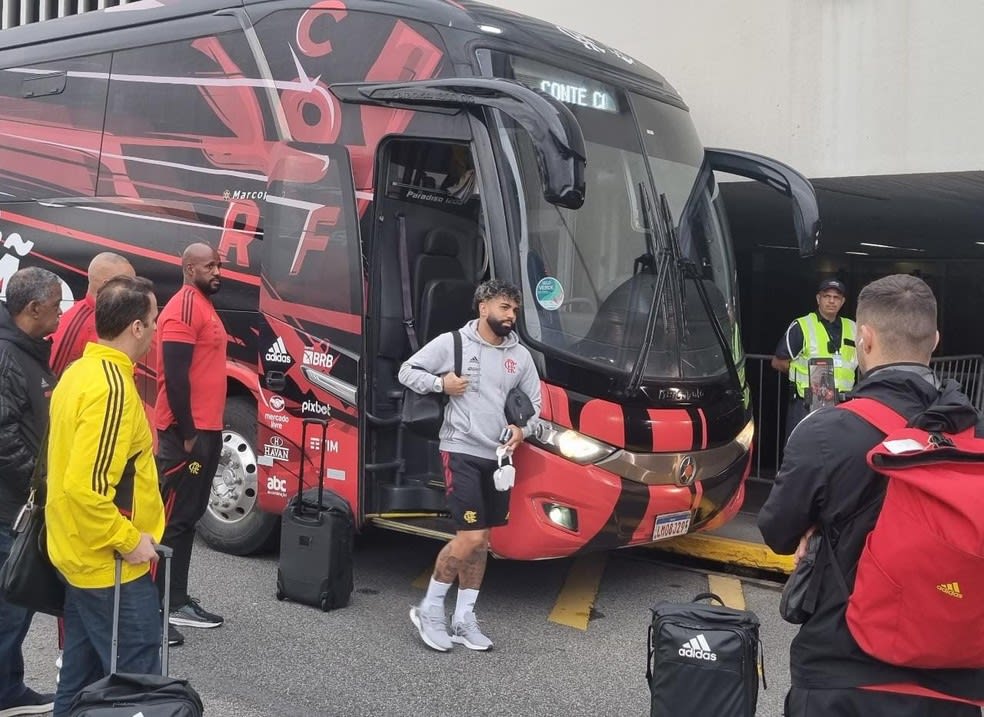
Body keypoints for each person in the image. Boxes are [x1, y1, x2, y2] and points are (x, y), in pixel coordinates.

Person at [759, 274, 984, 716]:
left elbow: (778, 533)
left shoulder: (825, 432)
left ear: (863, 338)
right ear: (935, 340)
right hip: (956, 681)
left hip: (842, 670)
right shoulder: (974, 434)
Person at [399, 279, 541, 652]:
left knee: (483, 544)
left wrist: (522, 429)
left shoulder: (520, 357)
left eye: (515, 310)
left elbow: (537, 409)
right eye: (504, 308)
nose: (511, 316)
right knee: (471, 537)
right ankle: (429, 609)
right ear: (483, 307)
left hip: (498, 458)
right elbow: (407, 371)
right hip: (460, 449)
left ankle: (463, 619)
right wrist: (440, 383)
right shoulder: (454, 343)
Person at [46, 275, 165, 717]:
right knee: (136, 684)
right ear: (135, 327)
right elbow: (87, 488)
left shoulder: (79, 371)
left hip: (80, 552)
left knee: (79, 677)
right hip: (108, 562)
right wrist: (130, 540)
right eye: (153, 320)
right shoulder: (112, 387)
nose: (155, 329)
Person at [155, 243, 226, 644]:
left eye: (219, 264)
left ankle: (176, 599)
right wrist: (187, 435)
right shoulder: (182, 308)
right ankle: (157, 607)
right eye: (209, 265)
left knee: (189, 514)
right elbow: (176, 378)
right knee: (173, 518)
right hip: (188, 437)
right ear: (188, 269)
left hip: (206, 433)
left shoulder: (202, 303)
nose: (217, 271)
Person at [0, 268, 61, 717]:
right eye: (56, 303)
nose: (62, 310)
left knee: (13, 606)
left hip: (19, 505)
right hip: (11, 509)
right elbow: (2, 436)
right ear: (32, 308)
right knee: (10, 604)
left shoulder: (29, 351)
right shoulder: (7, 356)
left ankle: (10, 687)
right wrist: (34, 487)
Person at [771, 278, 857, 439]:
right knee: (803, 449)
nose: (831, 301)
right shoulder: (802, 325)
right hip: (808, 401)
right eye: (827, 296)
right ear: (818, 299)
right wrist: (804, 376)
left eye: (836, 297)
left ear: (843, 301)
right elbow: (778, 362)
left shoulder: (853, 327)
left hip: (844, 404)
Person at [49, 252, 135, 378]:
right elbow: (56, 384)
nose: (137, 290)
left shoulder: (112, 317)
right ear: (108, 285)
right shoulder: (78, 325)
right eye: (130, 284)